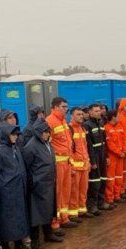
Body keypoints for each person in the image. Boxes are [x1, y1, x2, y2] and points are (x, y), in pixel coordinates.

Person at [0, 122, 32, 249]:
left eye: (16, 134)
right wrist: (2, 186)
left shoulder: (16, 149)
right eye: (12, 134)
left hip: (19, 190)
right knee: (6, 220)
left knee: (20, 217)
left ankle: (19, 244)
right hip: (6, 192)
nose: (15, 137)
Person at [23, 118, 63, 249]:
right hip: (37, 186)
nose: (48, 134)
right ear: (39, 132)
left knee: (48, 210)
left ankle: (48, 233)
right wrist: (33, 182)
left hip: (49, 183)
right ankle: (35, 240)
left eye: (48, 131)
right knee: (36, 214)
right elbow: (27, 168)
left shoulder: (47, 143)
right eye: (45, 132)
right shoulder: (31, 147)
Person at [46, 97, 77, 229]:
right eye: (64, 107)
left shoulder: (63, 121)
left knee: (65, 191)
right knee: (57, 193)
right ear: (56, 107)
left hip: (67, 162)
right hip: (57, 164)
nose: (66, 109)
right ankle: (55, 221)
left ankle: (64, 218)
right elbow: (48, 144)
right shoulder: (50, 121)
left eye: (66, 107)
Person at [84, 104, 110, 215]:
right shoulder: (87, 125)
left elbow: (105, 141)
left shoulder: (101, 123)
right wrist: (92, 161)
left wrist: (107, 156)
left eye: (99, 111)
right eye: (96, 111)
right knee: (94, 182)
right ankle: (92, 205)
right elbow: (89, 145)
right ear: (90, 112)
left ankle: (101, 202)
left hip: (102, 155)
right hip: (94, 156)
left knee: (103, 179)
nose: (99, 112)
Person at [68, 107, 92, 221]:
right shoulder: (70, 129)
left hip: (84, 165)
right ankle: (73, 213)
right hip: (75, 167)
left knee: (83, 189)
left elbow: (84, 147)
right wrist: (71, 165)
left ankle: (82, 209)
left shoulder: (82, 128)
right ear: (72, 116)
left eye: (82, 114)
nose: (81, 116)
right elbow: (69, 150)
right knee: (74, 191)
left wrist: (88, 161)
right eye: (78, 114)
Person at [104, 110, 126, 207]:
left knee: (119, 177)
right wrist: (119, 152)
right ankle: (110, 198)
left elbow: (124, 139)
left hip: (120, 156)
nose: (120, 117)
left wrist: (124, 151)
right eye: (118, 116)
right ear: (113, 117)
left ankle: (117, 195)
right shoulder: (106, 128)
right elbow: (109, 144)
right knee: (111, 178)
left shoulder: (120, 127)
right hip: (113, 156)